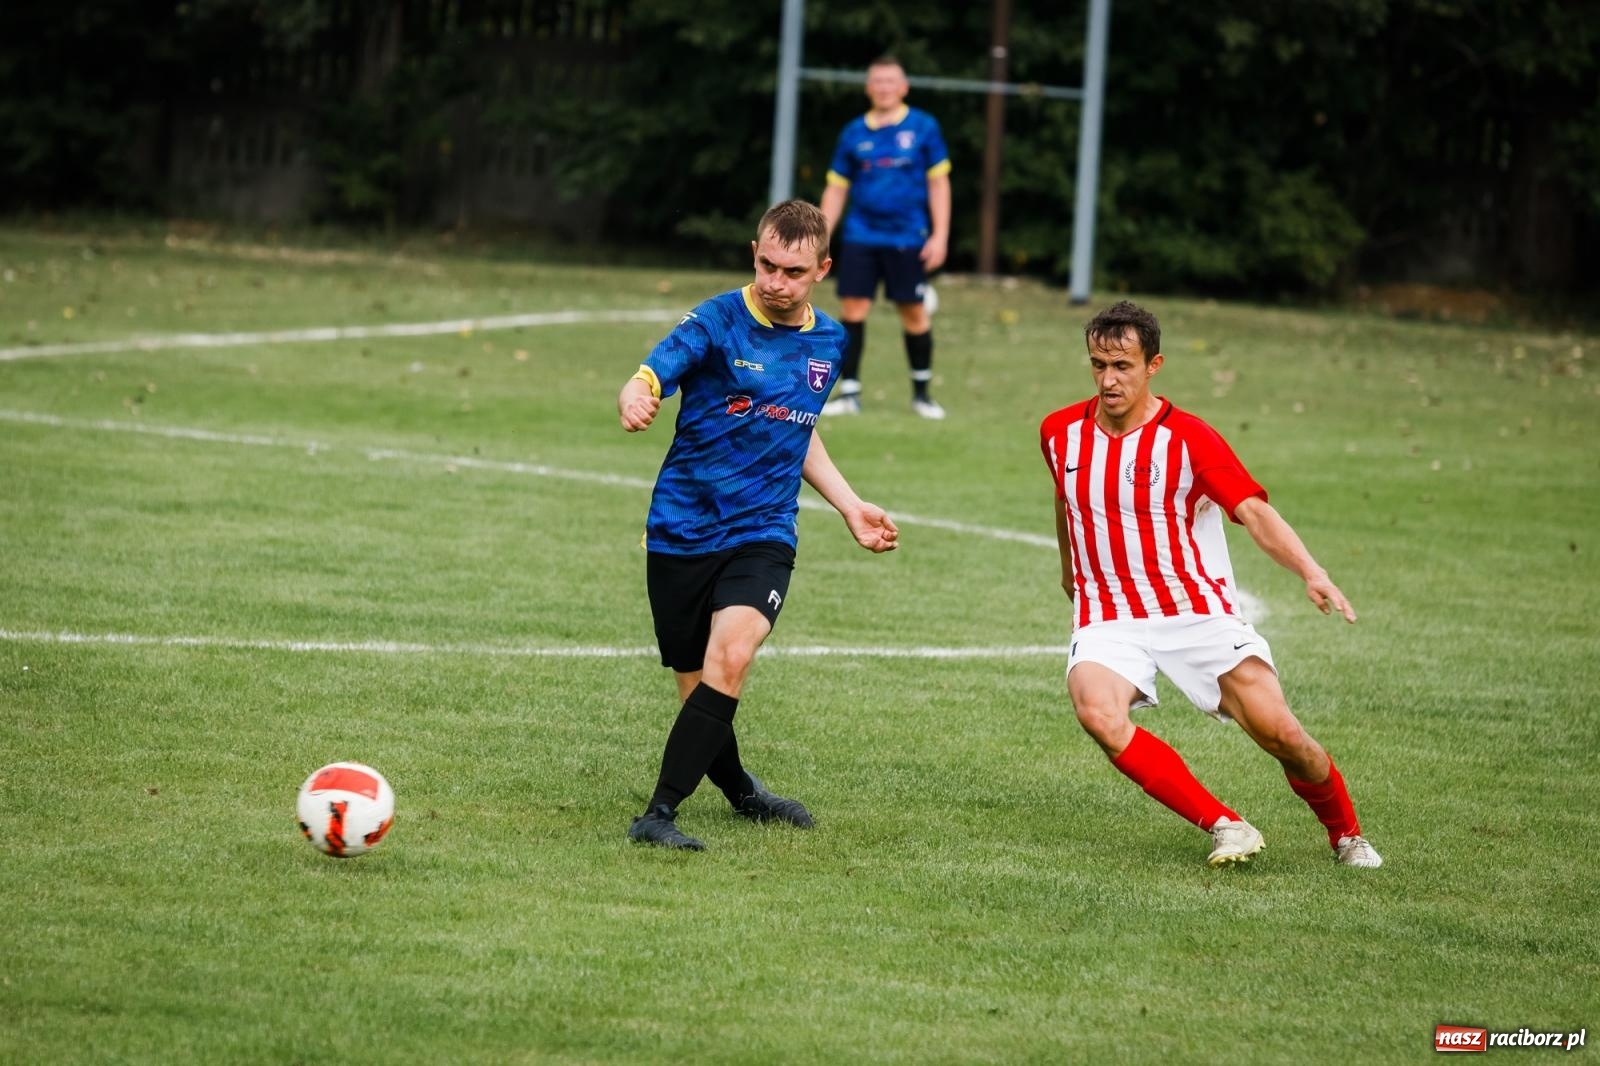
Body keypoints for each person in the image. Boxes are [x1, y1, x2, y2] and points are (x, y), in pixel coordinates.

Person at [1039, 300, 1383, 869]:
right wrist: (1068, 570)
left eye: (1123, 366)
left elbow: (1254, 513)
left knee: (1283, 735)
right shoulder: (1060, 432)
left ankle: (1346, 834)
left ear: (1153, 365)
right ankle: (1226, 824)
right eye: (1099, 365)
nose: (1108, 380)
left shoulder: (1190, 439)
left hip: (1193, 610)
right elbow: (1066, 501)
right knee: (1097, 712)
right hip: (1109, 611)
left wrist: (1311, 571)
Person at [616, 199, 900, 851]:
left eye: (793, 271)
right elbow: (651, 372)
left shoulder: (829, 342)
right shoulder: (717, 321)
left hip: (764, 531)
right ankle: (742, 790)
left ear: (822, 270)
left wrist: (850, 505)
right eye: (767, 265)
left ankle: (658, 814)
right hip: (683, 529)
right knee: (700, 685)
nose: (776, 281)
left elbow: (798, 429)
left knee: (733, 656)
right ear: (754, 253)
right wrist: (637, 394)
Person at [819, 55, 952, 420]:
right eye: (877, 81)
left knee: (913, 312)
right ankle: (850, 393)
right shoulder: (853, 133)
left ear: (903, 87)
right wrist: (820, 236)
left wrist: (940, 235)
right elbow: (836, 189)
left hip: (908, 235)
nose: (884, 87)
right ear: (868, 88)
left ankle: (922, 395)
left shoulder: (924, 127)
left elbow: (939, 183)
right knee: (852, 310)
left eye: (890, 81)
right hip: (861, 234)